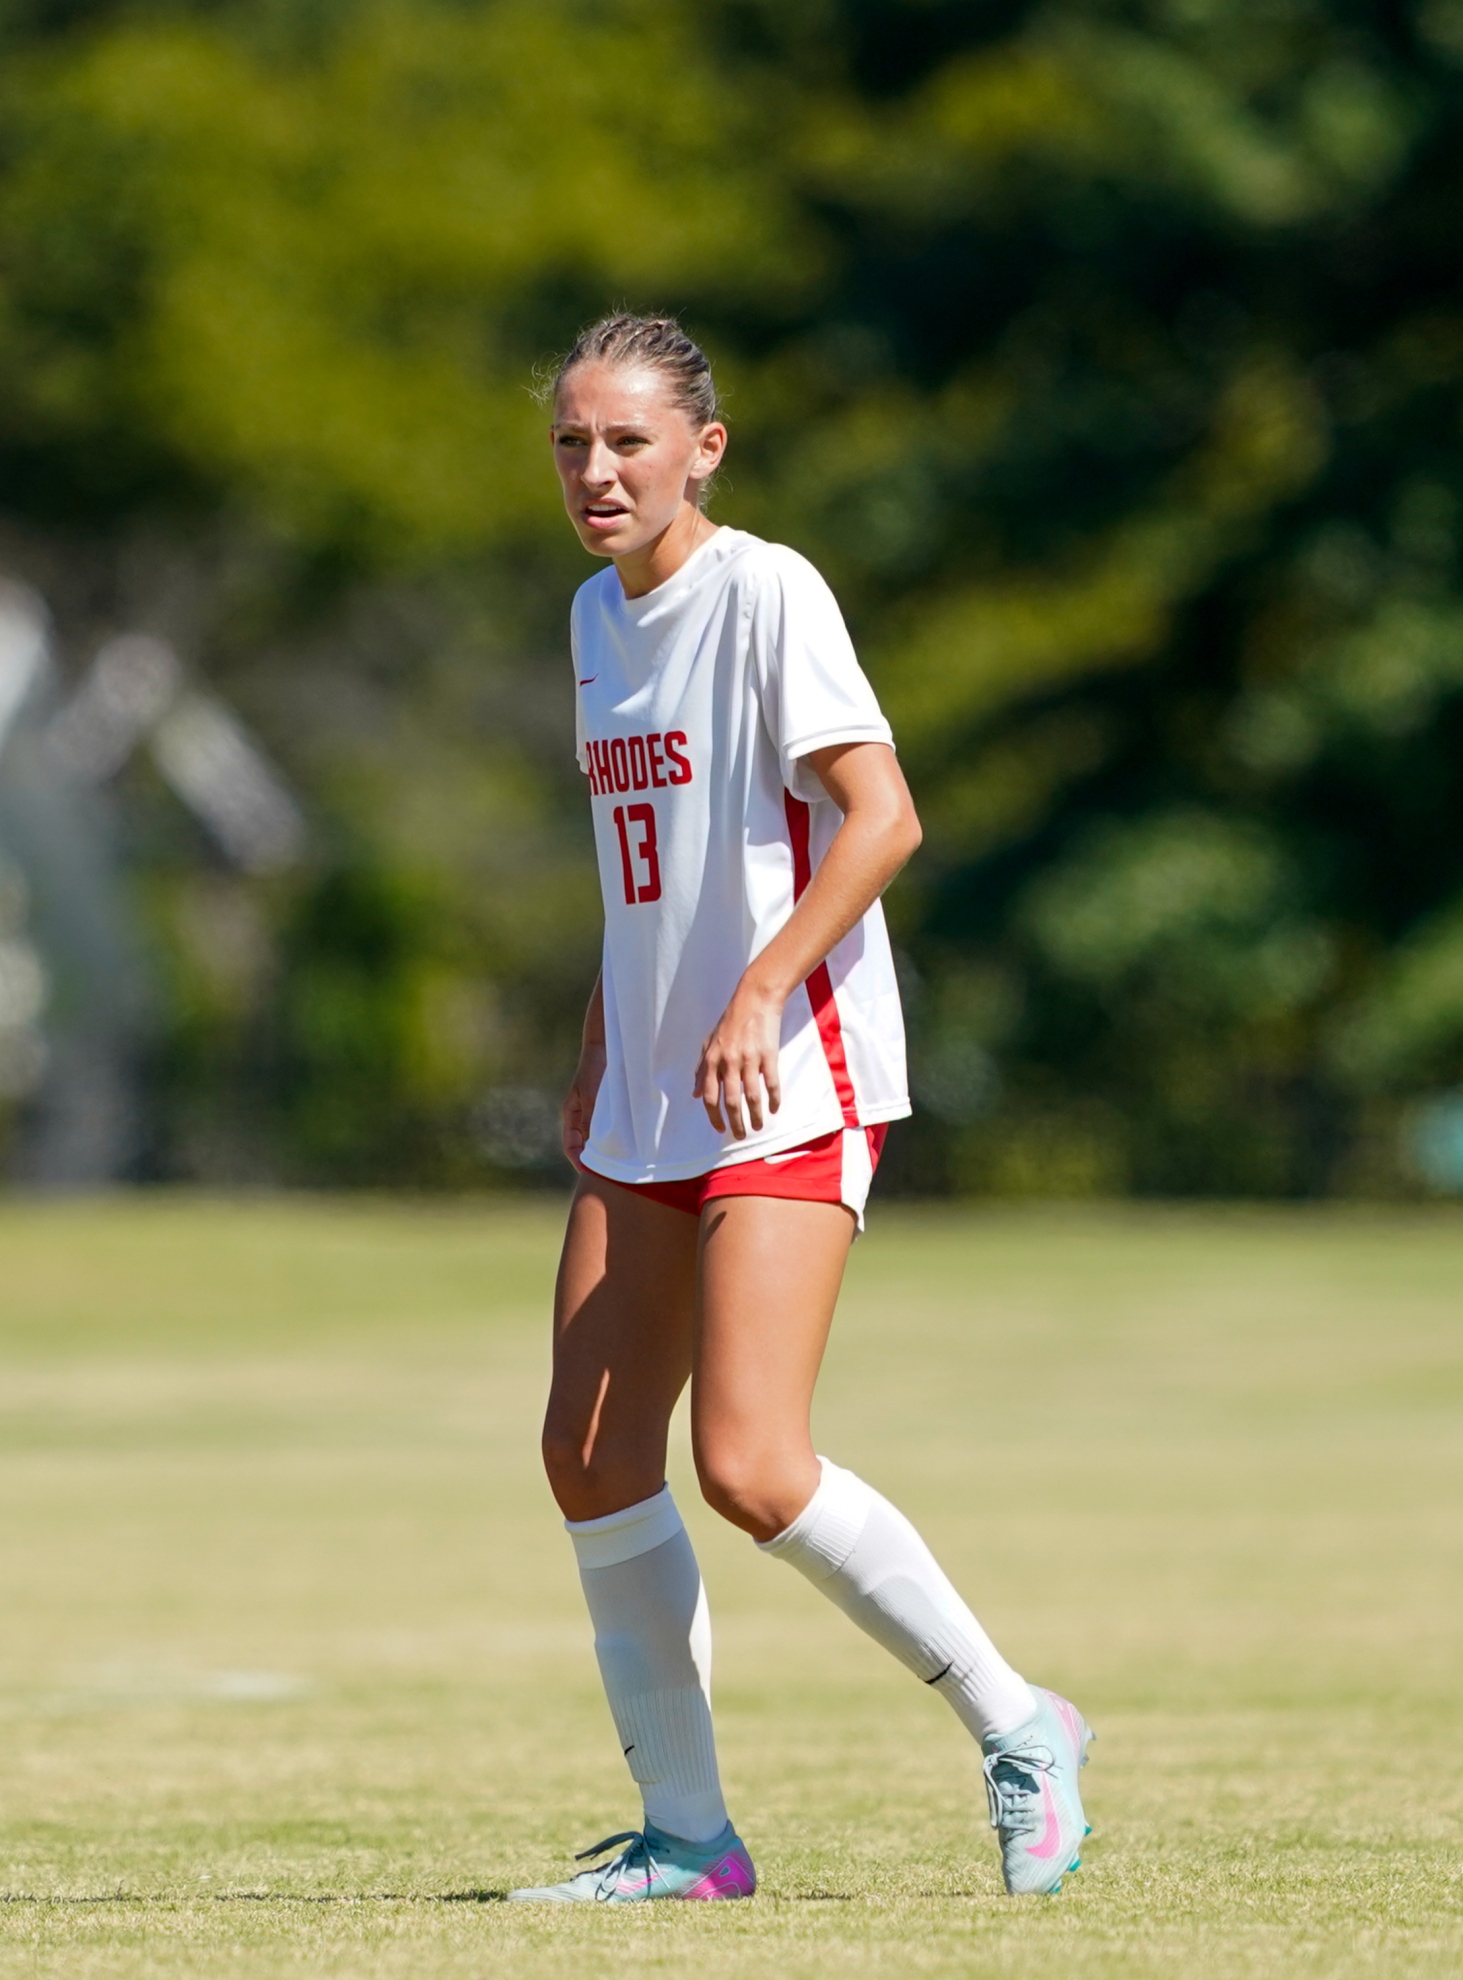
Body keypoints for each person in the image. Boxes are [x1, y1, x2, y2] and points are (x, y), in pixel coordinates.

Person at [507, 314, 1092, 1906]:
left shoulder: (767, 591)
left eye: (628, 441)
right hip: (651, 1088)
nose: (596, 470)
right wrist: (601, 1039)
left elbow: (882, 818)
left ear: (704, 450)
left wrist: (761, 989)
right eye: (572, 443)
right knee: (589, 1451)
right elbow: (648, 873)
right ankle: (690, 1841)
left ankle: (1020, 1723)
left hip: (787, 1076)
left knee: (753, 1466)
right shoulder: (592, 616)